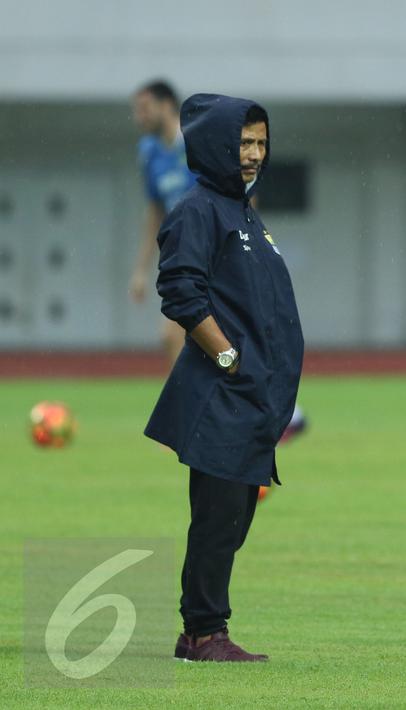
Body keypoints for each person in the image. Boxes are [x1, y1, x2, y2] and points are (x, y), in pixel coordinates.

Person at [145, 94, 304, 662]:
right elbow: (180, 292)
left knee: (232, 520)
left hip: (252, 398)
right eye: (243, 143)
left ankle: (199, 632)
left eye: (261, 142)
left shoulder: (243, 210)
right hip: (224, 393)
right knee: (218, 519)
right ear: (216, 146)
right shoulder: (198, 210)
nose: (255, 154)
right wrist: (231, 361)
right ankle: (205, 633)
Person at [128, 79, 196, 369]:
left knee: (180, 334)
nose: (138, 116)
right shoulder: (149, 152)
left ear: (167, 105)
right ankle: (189, 408)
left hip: (217, 252)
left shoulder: (198, 142)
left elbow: (241, 194)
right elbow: (156, 213)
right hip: (184, 258)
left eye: (144, 108)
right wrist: (141, 270)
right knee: (173, 336)